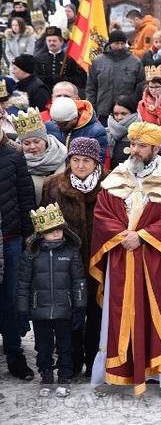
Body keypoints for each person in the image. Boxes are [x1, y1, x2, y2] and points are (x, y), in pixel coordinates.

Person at [89, 122, 161, 399]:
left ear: (155, 149)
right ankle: (117, 372)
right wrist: (123, 234)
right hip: (122, 256)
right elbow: (103, 213)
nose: (134, 150)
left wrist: (144, 236)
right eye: (132, 144)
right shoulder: (118, 176)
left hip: (158, 260)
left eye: (141, 146)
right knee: (118, 314)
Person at [40, 137, 109, 375]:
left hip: (101, 261)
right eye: (76, 160)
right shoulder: (53, 185)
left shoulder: (110, 185)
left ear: (96, 162)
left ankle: (94, 362)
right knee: (67, 316)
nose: (80, 166)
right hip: (65, 264)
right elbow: (43, 227)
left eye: (87, 161)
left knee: (97, 314)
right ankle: (71, 361)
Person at [17, 204, 86, 397]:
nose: (56, 233)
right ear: (40, 233)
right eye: (50, 231)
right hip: (40, 312)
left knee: (66, 346)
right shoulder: (31, 255)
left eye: (58, 229)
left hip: (65, 311)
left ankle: (64, 376)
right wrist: (22, 311)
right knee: (43, 347)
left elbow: (79, 283)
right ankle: (46, 375)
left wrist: (80, 307)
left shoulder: (71, 253)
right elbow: (22, 285)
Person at [0, 125, 36, 381]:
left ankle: (15, 355)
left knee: (10, 301)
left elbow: (25, 201)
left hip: (9, 239)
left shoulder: (13, 156)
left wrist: (27, 238)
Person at [86, 30, 145, 121]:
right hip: (103, 112)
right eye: (117, 43)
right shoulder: (98, 61)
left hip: (127, 113)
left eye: (122, 43)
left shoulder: (135, 62)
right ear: (110, 44)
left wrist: (135, 106)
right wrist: (92, 109)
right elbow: (91, 87)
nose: (120, 47)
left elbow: (141, 87)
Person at [11, 107, 66, 202]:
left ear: (45, 140)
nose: (32, 147)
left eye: (37, 141)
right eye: (27, 143)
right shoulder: (16, 163)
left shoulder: (63, 156)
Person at [45, 95, 108, 162]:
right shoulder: (49, 126)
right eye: (55, 122)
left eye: (62, 124)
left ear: (74, 118)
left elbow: (98, 161)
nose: (57, 126)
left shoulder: (97, 132)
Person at [34, 26, 87, 91]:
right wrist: (50, 79)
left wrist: (65, 80)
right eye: (49, 41)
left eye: (54, 41)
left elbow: (79, 79)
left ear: (61, 41)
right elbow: (35, 77)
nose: (51, 43)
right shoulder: (39, 58)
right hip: (45, 92)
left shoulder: (70, 59)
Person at [106, 95, 141, 169]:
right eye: (116, 114)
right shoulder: (106, 133)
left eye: (123, 114)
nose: (119, 117)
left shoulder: (142, 132)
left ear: (133, 113)